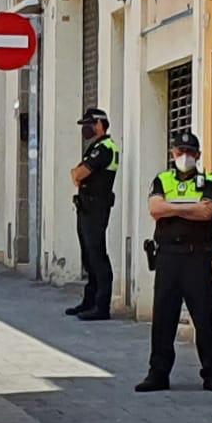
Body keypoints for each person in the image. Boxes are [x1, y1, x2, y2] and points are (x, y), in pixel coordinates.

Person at [137, 131, 212, 393]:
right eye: (180, 152)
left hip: (196, 258)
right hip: (167, 257)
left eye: (190, 152)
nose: (184, 157)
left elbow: (207, 212)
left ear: (198, 155)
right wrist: (189, 209)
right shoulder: (162, 179)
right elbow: (155, 209)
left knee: (202, 318)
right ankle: (158, 374)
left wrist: (172, 207)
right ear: (172, 154)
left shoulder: (208, 180)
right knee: (163, 318)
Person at [68, 107, 120, 321]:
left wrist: (77, 174)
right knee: (88, 256)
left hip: (97, 208)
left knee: (97, 255)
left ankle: (101, 306)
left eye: (88, 125)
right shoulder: (95, 147)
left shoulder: (105, 148)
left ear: (99, 124)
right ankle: (88, 302)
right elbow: (76, 175)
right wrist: (77, 174)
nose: (85, 129)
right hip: (86, 208)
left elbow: (79, 174)